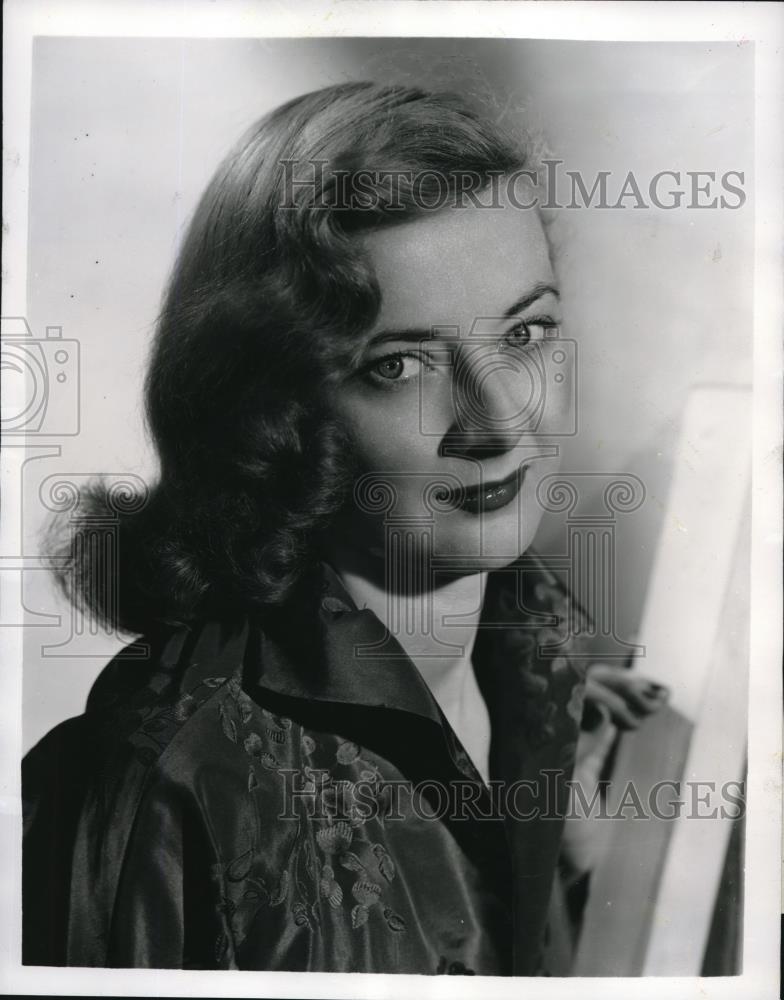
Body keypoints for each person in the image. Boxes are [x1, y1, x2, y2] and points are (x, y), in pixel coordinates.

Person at [22, 81, 667, 974]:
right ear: (274, 408)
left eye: (526, 334)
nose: (501, 421)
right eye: (398, 364)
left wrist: (583, 883)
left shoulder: (551, 666)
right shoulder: (170, 774)